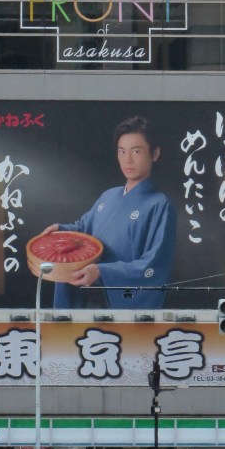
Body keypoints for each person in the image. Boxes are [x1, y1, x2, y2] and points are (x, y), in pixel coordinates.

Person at [41, 115, 176, 309]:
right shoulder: (108, 197)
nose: (127, 160)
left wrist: (102, 272)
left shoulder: (160, 205)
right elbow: (83, 230)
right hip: (84, 296)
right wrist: (60, 230)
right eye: (122, 151)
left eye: (136, 151)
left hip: (119, 303)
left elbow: (154, 266)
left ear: (154, 154)